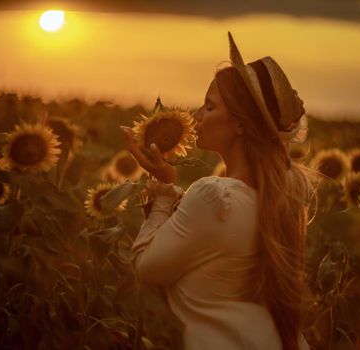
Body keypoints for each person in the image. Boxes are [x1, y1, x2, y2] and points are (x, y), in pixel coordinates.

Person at [119, 32, 319, 350]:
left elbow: (146, 268)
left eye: (209, 107)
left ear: (240, 124)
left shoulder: (214, 197)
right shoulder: (280, 199)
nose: (196, 116)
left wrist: (162, 192)